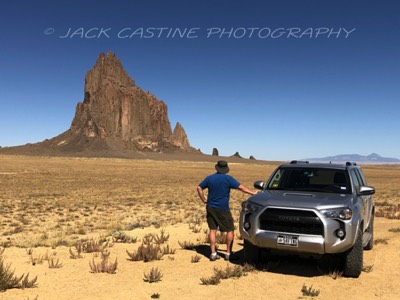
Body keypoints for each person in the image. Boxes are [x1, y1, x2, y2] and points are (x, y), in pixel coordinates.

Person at [197, 160, 257, 261]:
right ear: (225, 169)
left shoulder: (209, 178)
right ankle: (228, 254)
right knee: (230, 230)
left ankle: (213, 254)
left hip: (210, 207)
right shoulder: (228, 179)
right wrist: (252, 193)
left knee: (212, 230)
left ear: (217, 168)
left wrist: (203, 200)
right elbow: (241, 187)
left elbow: (199, 188)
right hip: (222, 209)